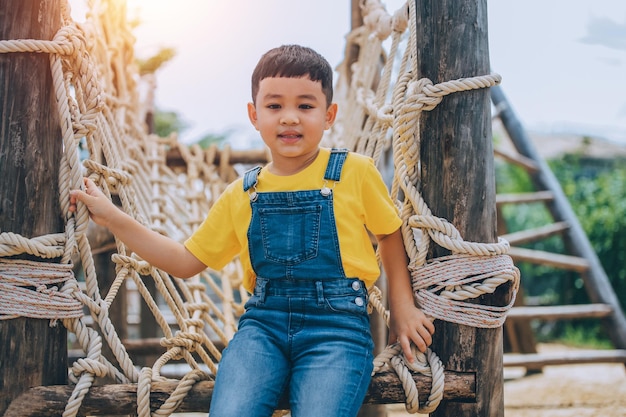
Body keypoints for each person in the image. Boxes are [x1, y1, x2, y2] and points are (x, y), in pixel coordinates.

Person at [69, 44, 434, 417]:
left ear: (329, 115)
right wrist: (112, 217)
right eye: (274, 106)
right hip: (263, 326)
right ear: (254, 115)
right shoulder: (243, 194)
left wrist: (401, 307)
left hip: (336, 329)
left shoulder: (354, 171)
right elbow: (184, 261)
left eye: (305, 106)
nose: (289, 117)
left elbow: (390, 234)